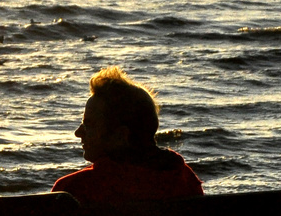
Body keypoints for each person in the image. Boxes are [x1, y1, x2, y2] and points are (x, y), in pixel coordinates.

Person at [52, 66, 203, 203]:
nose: (78, 133)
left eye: (89, 125)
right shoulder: (184, 180)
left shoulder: (72, 191)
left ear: (120, 136)